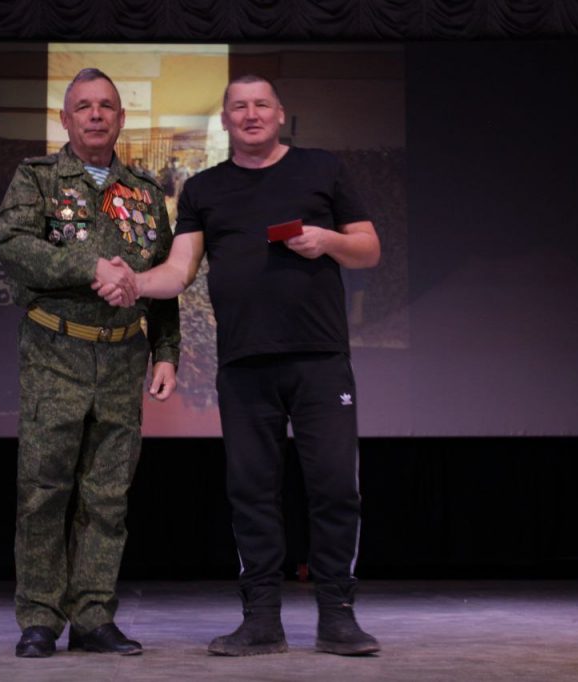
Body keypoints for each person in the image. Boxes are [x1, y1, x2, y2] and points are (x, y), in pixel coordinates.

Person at [95, 74, 382, 656]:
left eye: (261, 105)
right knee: (251, 492)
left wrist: (327, 240)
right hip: (245, 365)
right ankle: (261, 621)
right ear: (225, 120)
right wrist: (135, 282)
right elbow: (179, 270)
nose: (251, 114)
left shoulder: (321, 168)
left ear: (280, 113)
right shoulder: (205, 188)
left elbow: (369, 248)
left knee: (334, 487)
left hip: (320, 360)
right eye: (239, 107)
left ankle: (338, 617)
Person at [0, 67, 180, 659]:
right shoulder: (39, 178)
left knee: (108, 496)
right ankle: (39, 618)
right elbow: (13, 246)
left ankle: (94, 616)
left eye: (106, 106)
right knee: (43, 492)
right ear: (65, 119)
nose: (95, 115)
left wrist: (167, 351)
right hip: (56, 355)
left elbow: (164, 279)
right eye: (84, 106)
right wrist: (88, 266)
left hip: (123, 357)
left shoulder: (145, 191)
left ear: (121, 119)